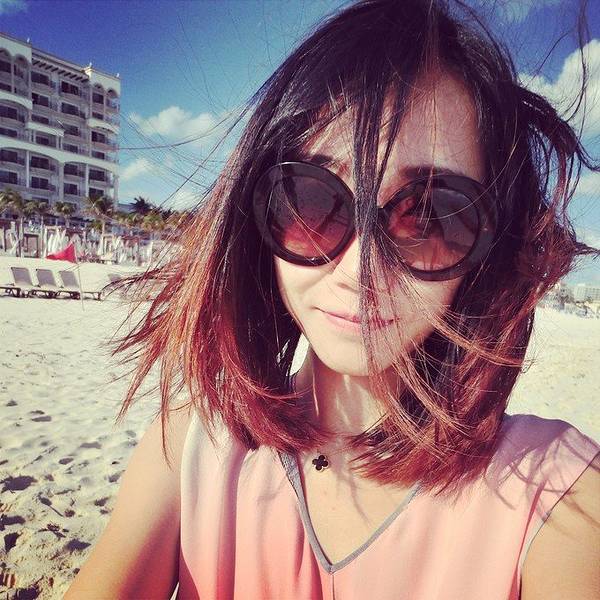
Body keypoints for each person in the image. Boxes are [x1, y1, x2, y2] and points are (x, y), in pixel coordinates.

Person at [65, 1, 600, 598]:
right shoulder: (191, 448)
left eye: (428, 215)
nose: (359, 271)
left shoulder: (560, 496)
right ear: (259, 209)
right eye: (314, 199)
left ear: (488, 252)